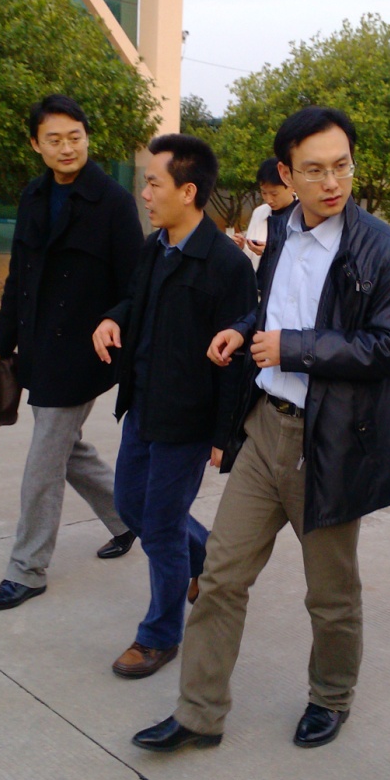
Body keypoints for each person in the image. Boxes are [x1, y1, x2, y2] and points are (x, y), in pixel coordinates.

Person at [131, 106, 390, 752]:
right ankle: (198, 713)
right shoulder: (281, 231)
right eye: (313, 170)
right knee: (221, 576)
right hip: (265, 429)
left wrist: (293, 348)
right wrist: (244, 330)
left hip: (331, 444)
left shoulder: (386, 251)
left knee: (330, 595)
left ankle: (330, 697)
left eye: (341, 166)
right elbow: (269, 308)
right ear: (286, 175)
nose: (331, 182)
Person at [92, 133, 257, 678]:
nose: (144, 194)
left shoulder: (226, 265)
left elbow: (236, 358)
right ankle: (204, 559)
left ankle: (159, 636)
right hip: (142, 407)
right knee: (130, 506)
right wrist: (113, 316)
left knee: (161, 528)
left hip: (187, 422)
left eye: (153, 183)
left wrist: (224, 436)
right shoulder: (154, 247)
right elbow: (134, 300)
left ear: (188, 191)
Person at [0, 95, 142, 611]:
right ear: (36, 145)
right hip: (37, 348)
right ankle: (128, 519)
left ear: (87, 138)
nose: (67, 147)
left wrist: (114, 320)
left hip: (83, 354)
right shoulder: (32, 196)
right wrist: (0, 342)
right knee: (67, 449)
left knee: (43, 464)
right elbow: (19, 277)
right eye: (54, 139)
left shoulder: (113, 202)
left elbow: (135, 284)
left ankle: (26, 570)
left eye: (75, 137)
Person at [233, 157, 296, 268]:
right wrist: (242, 247)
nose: (268, 200)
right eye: (264, 193)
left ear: (291, 186)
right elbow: (252, 258)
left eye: (274, 194)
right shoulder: (259, 213)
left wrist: (271, 253)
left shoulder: (306, 216)